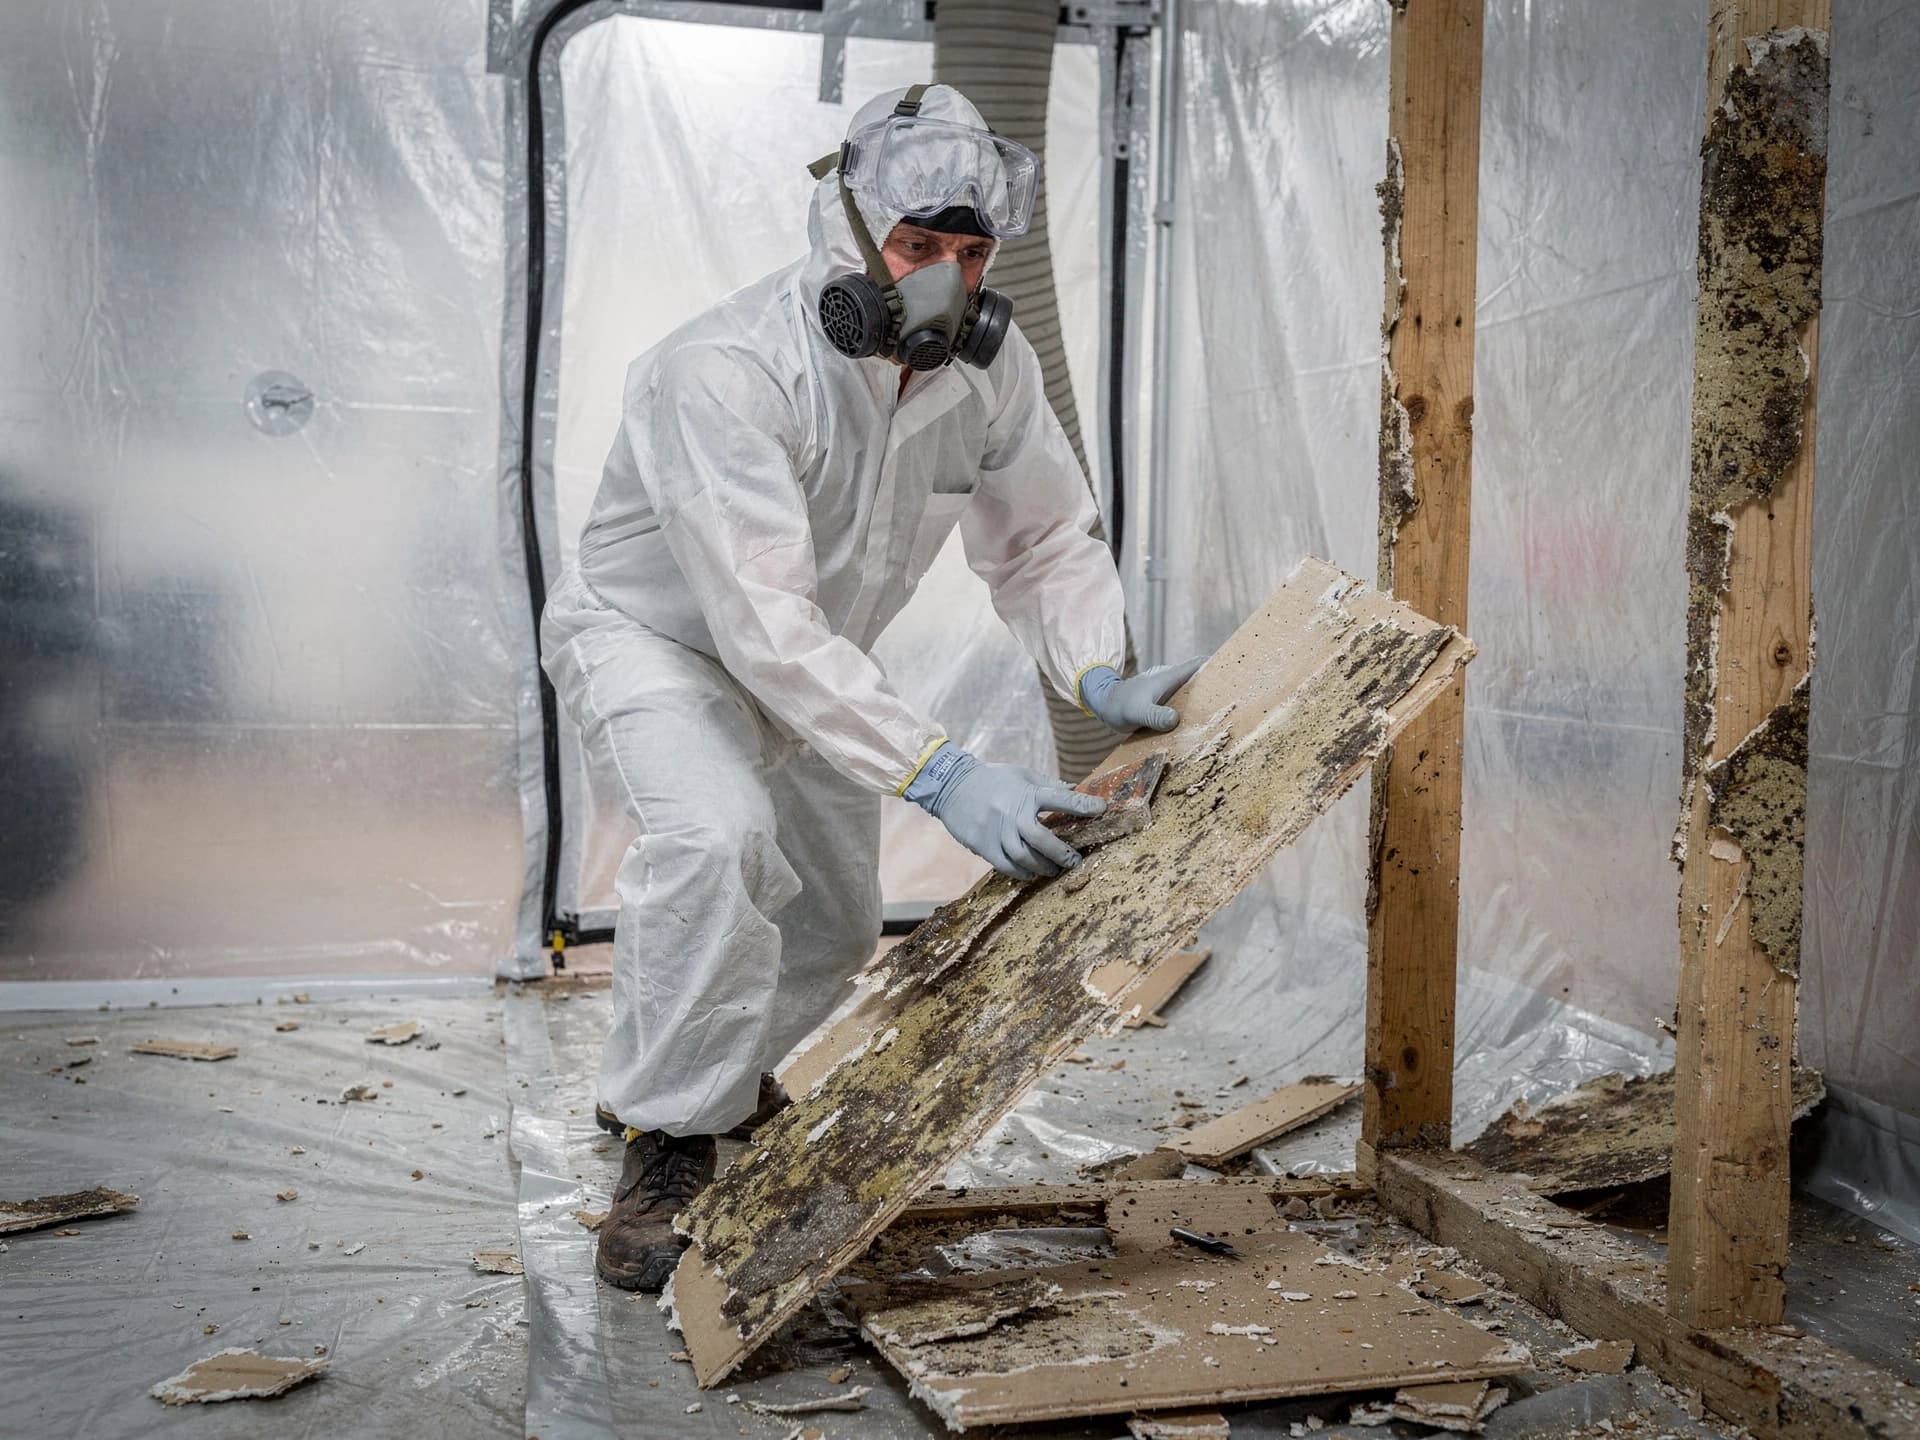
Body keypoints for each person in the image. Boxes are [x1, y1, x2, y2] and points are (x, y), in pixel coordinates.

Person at [540, 82, 1201, 1292]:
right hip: (659, 639)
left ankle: (719, 1086)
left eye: (969, 249)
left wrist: (1094, 660)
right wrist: (941, 772)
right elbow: (757, 614)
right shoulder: (723, 371)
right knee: (719, 837)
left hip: (814, 652)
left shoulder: (987, 373)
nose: (944, 278)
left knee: (834, 921)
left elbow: (1043, 535)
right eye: (915, 246)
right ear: (843, 232)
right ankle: (665, 1139)